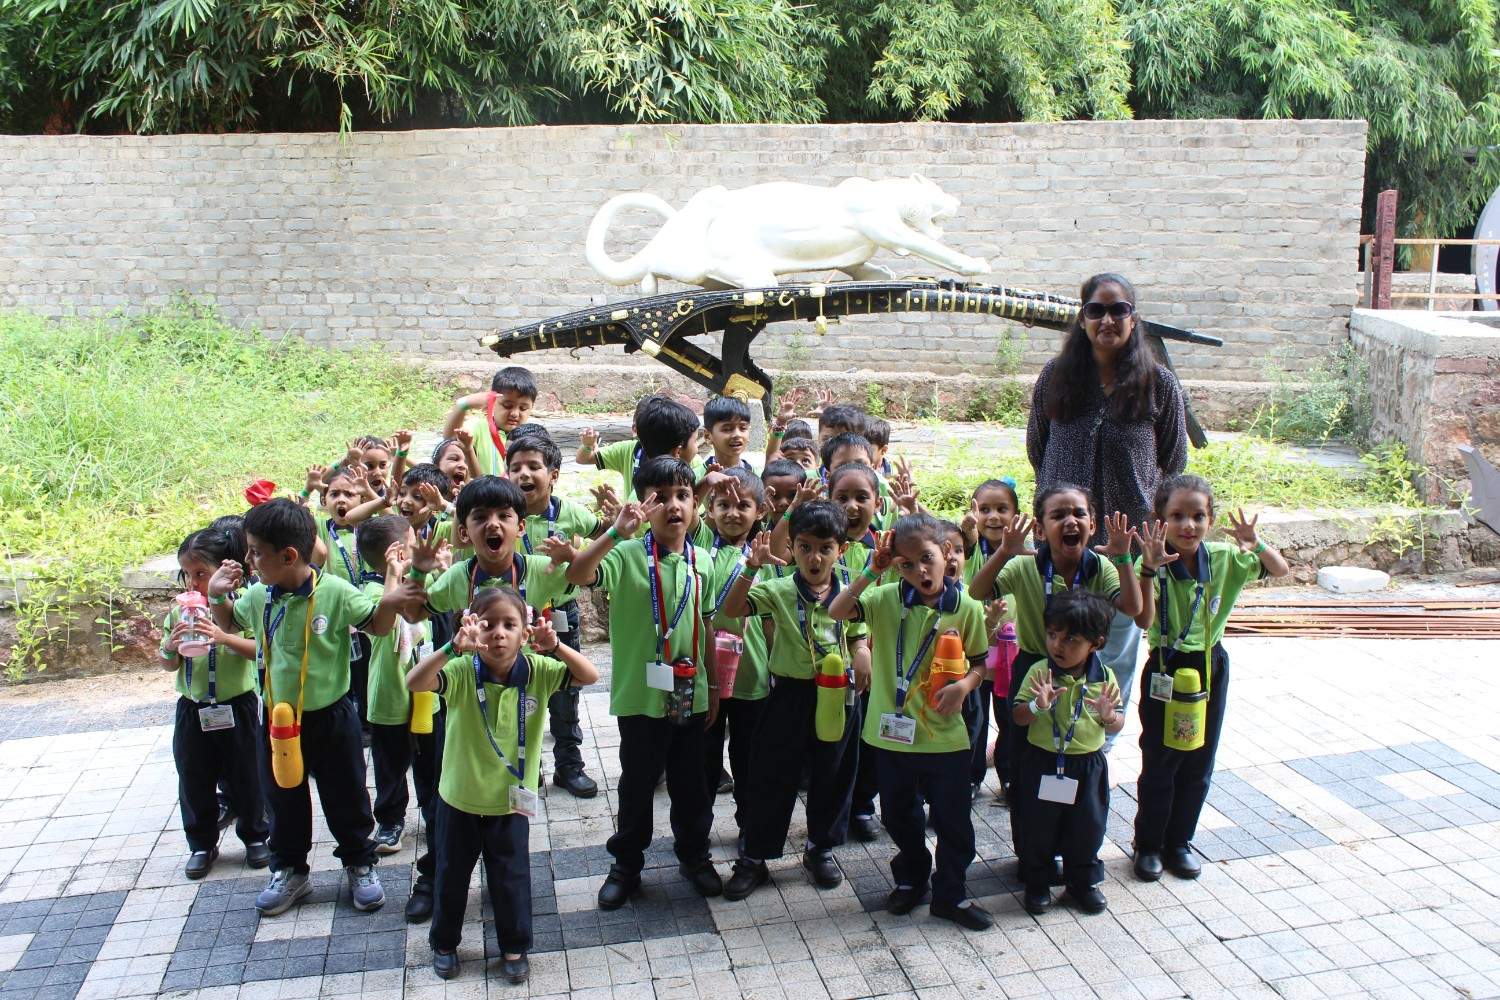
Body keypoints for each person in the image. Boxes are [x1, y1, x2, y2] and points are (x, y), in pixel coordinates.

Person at [205, 498, 422, 916]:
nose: (249, 560)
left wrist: (393, 585)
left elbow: (377, 625)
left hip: (332, 717)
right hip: (277, 720)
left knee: (346, 795)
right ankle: (290, 870)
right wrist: (218, 597)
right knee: (282, 798)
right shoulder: (258, 596)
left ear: (288, 556)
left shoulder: (335, 592)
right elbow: (232, 622)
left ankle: (359, 862)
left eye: (255, 552)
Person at [407, 588, 600, 984]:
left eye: (509, 625)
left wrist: (557, 646)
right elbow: (415, 682)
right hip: (459, 799)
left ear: (525, 633)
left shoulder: (538, 671)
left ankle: (514, 947)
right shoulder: (461, 671)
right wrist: (450, 647)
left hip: (511, 803)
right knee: (451, 875)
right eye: (488, 624)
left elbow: (589, 675)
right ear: (471, 628)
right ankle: (444, 943)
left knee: (511, 877)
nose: (498, 634)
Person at [1025, 273, 1188, 729]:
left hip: (1125, 548)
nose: (1108, 319)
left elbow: (1172, 463)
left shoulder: (1159, 385)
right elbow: (1039, 449)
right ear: (1083, 319)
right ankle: (1043, 738)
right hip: (1061, 545)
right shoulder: (1055, 379)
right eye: (1096, 310)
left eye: (1119, 310)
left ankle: (1097, 741)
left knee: (1112, 646)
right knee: (1053, 642)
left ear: (1134, 320)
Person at [563, 457, 724, 908]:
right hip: (639, 698)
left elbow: (706, 625)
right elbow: (577, 575)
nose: (673, 506)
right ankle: (626, 865)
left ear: (695, 506)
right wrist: (616, 531)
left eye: (683, 496)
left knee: (693, 787)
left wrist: (713, 689)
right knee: (636, 787)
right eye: (660, 498)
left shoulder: (703, 561)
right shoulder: (626, 554)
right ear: (644, 505)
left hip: (690, 697)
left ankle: (695, 857)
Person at [829, 513, 993, 930]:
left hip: (946, 739)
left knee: (954, 822)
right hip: (890, 736)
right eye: (906, 564)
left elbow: (980, 662)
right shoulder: (884, 600)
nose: (919, 570)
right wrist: (871, 571)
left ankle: (951, 894)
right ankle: (912, 879)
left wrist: (966, 685)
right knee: (899, 815)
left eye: (926, 558)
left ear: (947, 555)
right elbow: (838, 608)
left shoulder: (968, 609)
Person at [1131, 475, 1290, 882]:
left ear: (1211, 519)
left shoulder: (1223, 558)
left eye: (1198, 516)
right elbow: (1144, 619)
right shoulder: (1151, 562)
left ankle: (1179, 843)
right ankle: (1147, 845)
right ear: (1160, 520)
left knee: (1199, 759)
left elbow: (1280, 570)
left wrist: (1257, 544)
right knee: (1160, 760)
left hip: (1209, 665)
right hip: (1165, 665)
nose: (1188, 526)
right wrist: (1148, 571)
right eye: (1178, 516)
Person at [717, 500, 869, 899]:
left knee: (833, 773)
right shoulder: (778, 589)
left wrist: (863, 652)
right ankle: (754, 857)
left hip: (838, 693)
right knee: (771, 775)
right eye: (804, 547)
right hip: (789, 694)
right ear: (793, 548)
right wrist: (751, 567)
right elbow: (729, 612)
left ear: (841, 549)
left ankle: (820, 849)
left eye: (825, 548)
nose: (814, 557)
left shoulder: (851, 589)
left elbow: (858, 633)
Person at [968, 483, 1141, 811]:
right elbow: (978, 592)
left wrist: (1123, 559)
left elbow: (1132, 608)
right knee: (1024, 746)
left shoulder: (1100, 568)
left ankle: (1074, 818)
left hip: (1084, 669)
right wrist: (1005, 551)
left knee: (1076, 741)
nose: (1070, 521)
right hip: (1033, 666)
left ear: (1092, 523)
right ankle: (1028, 824)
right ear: (1040, 528)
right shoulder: (1024, 566)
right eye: (1058, 515)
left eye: (1079, 513)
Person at [161, 526, 270, 879]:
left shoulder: (238, 610)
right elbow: (168, 663)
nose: (194, 584)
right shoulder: (179, 614)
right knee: (193, 776)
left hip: (235, 704)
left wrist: (223, 636)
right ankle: (202, 843)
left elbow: (260, 650)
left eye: (201, 574)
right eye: (188, 575)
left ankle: (255, 836)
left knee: (246, 774)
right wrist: (170, 647)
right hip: (194, 708)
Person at [1011, 590, 1122, 915]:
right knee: (1038, 826)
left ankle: (1081, 882)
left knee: (1087, 827)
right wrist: (1037, 705)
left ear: (1096, 643)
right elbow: (1018, 717)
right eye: (1052, 634)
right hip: (1043, 761)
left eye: (1071, 639)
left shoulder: (1105, 679)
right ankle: (1037, 882)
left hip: (1087, 766)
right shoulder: (1038, 673)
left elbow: (1116, 724)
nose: (1058, 645)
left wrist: (1108, 716)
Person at [355, 515, 433, 857]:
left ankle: (436, 814)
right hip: (389, 695)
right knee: (390, 765)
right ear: (397, 551)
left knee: (432, 761)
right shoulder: (370, 590)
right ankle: (390, 820)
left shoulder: (421, 582)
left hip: (427, 692)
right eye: (413, 538)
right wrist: (392, 574)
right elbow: (384, 622)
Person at [698, 468, 771, 822]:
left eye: (743, 505)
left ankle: (748, 830)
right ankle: (698, 836)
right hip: (705, 674)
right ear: (709, 510)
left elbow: (773, 620)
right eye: (722, 504)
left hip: (751, 675)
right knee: (704, 758)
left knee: (750, 757)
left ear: (760, 511)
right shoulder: (697, 547)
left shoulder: (768, 555)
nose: (732, 513)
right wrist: (704, 485)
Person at [960, 478, 1022, 800]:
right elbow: (963, 556)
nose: (993, 517)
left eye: (1002, 509)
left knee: (1010, 719)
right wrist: (968, 535)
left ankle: (1009, 776)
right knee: (975, 717)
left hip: (1012, 655)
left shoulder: (1025, 555)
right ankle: (971, 776)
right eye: (984, 509)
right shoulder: (970, 551)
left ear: (1017, 515)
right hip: (977, 653)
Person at [443, 365, 538, 477]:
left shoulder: (532, 435)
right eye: (507, 406)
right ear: (492, 402)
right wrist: (464, 404)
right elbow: (450, 438)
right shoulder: (479, 427)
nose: (515, 414)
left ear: (532, 407)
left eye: (523, 408)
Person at [703, 395, 755, 471]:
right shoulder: (694, 478)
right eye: (727, 429)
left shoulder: (758, 475)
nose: (737, 434)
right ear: (708, 436)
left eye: (743, 428)